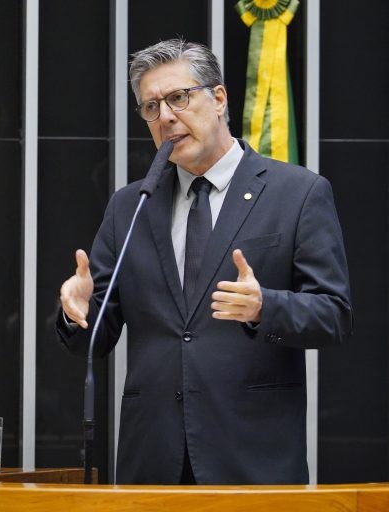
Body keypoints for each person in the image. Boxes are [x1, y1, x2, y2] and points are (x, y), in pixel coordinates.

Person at [57, 38, 353, 485]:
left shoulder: (298, 193)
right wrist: (77, 313)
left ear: (218, 98)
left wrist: (264, 307)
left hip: (252, 457)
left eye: (178, 97)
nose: (166, 117)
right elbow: (95, 338)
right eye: (151, 107)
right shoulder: (131, 205)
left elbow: (334, 315)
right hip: (152, 461)